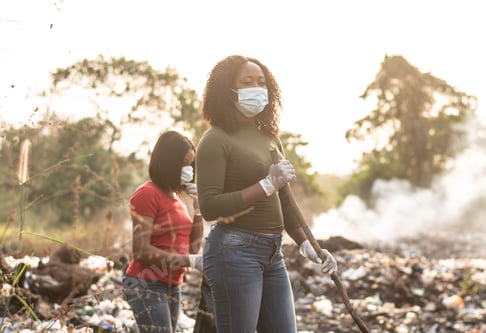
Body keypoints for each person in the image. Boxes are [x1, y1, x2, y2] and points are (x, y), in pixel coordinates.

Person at [195, 55, 337, 333]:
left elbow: (285, 203)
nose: (256, 88)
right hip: (234, 252)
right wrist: (266, 185)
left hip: (273, 253)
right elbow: (210, 207)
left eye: (261, 82)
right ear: (228, 91)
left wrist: (308, 245)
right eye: (247, 82)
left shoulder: (270, 137)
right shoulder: (215, 139)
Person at [122, 130, 204, 333]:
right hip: (146, 283)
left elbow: (193, 246)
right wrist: (190, 261)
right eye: (183, 164)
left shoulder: (177, 196)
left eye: (190, 165)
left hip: (171, 283)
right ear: (169, 162)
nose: (188, 170)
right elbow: (141, 251)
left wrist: (198, 209)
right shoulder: (147, 194)